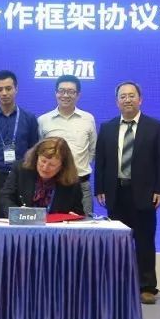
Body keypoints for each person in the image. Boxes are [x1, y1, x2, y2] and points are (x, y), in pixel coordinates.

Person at [95, 81, 160, 305]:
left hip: (144, 193)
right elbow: (101, 161)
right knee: (117, 243)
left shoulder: (155, 127)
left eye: (131, 95)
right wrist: (100, 188)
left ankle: (147, 287)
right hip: (115, 193)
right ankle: (118, 285)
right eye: (123, 96)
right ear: (117, 101)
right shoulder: (107, 127)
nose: (127, 99)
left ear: (140, 99)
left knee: (145, 241)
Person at [0, 70, 39, 218]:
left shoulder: (29, 118)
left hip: (24, 177)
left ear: (16, 89)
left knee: (25, 218)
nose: (4, 93)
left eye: (8, 88)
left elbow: (34, 148)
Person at [38, 75, 97, 215]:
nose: (65, 95)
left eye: (71, 91)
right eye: (61, 91)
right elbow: (39, 152)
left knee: (85, 225)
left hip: (81, 184)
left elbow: (92, 150)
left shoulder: (88, 119)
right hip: (52, 186)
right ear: (56, 93)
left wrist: (78, 166)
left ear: (78, 95)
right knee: (51, 226)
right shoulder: (43, 120)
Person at [0, 137, 84, 215]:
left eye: (52, 165)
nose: (45, 167)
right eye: (43, 161)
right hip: (24, 224)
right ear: (36, 157)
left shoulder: (71, 181)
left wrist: (74, 218)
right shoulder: (21, 169)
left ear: (62, 166)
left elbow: (78, 211)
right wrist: (17, 213)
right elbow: (4, 197)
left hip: (57, 226)